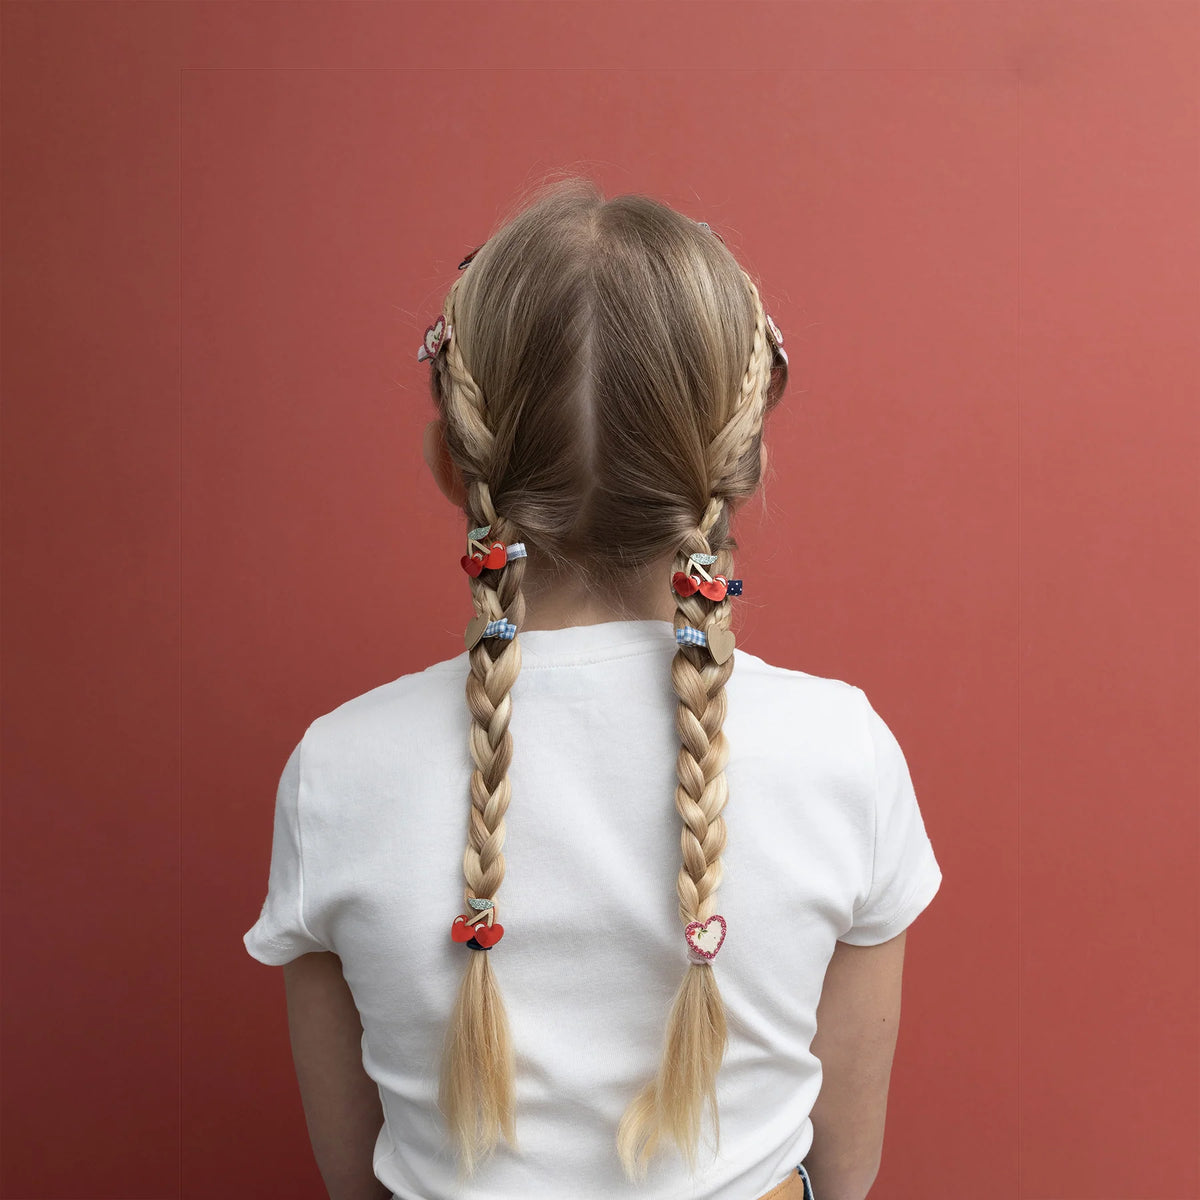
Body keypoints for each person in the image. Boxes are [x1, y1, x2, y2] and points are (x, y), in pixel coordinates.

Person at [243, 177, 943, 1200]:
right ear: (739, 466)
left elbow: (356, 1178)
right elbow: (845, 1170)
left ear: (454, 461)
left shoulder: (336, 770)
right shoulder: (845, 752)